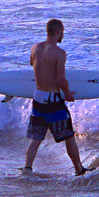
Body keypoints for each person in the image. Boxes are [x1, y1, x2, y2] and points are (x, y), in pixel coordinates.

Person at [23, 18, 87, 176]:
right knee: (69, 136)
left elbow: (32, 63)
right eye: (63, 31)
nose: (63, 34)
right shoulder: (59, 53)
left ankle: (27, 168)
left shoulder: (35, 48)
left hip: (38, 98)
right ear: (58, 31)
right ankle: (79, 169)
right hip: (53, 102)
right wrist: (68, 93)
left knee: (36, 138)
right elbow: (60, 79)